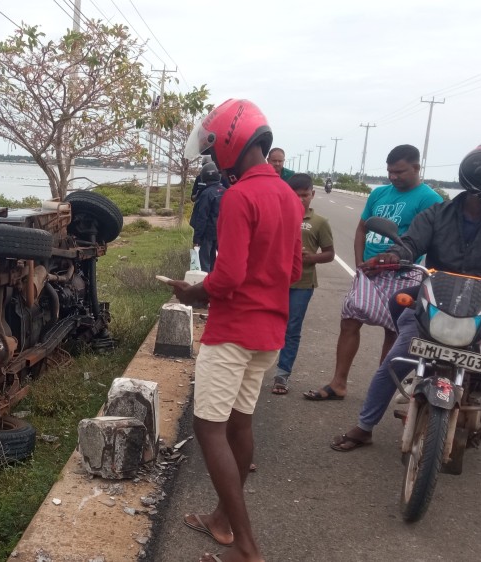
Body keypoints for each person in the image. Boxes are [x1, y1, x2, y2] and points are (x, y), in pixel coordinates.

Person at [330, 143, 481, 452]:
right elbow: (410, 243)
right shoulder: (438, 213)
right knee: (396, 359)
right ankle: (364, 426)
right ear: (480, 183)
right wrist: (393, 255)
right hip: (439, 297)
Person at [165, 98, 302, 562]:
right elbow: (293, 269)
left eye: (212, 149)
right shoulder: (287, 196)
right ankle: (222, 522)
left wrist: (192, 293)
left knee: (209, 429)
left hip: (233, 332)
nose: (213, 158)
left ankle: (246, 547)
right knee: (240, 425)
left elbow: (228, 277)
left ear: (229, 143)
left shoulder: (239, 196)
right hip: (269, 334)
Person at [304, 145, 443, 401]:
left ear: (416, 168)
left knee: (393, 331)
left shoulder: (430, 199)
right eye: (390, 171)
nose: (393, 176)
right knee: (350, 319)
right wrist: (359, 263)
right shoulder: (379, 193)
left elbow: (429, 241)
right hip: (369, 272)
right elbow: (362, 228)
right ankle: (339, 383)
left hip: (403, 274)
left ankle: (380, 391)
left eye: (399, 172)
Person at [272, 173, 335, 395]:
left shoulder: (319, 223)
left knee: (292, 329)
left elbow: (329, 254)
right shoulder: (277, 215)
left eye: (305, 195)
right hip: (276, 281)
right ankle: (254, 370)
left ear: (313, 194)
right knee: (270, 324)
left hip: (303, 284)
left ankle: (282, 374)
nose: (300, 199)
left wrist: (310, 258)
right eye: (295, 195)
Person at [190, 162, 226, 272]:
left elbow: (202, 217)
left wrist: (196, 239)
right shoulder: (225, 191)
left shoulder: (206, 193)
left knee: (204, 263)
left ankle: (205, 281)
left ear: (204, 176)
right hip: (220, 232)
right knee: (214, 260)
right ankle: (214, 279)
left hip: (207, 233)